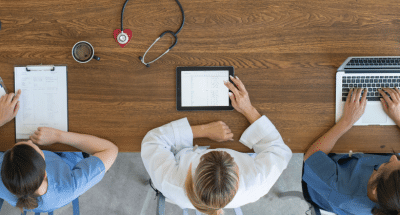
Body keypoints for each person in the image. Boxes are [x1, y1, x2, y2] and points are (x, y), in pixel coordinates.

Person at [141, 76, 292, 215]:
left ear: (192, 172)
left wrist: (204, 130)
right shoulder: (257, 183)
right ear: (238, 178)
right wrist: (248, 109)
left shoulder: (169, 182)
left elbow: (153, 141)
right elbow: (279, 150)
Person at [303, 87, 400, 215]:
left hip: (322, 180)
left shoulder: (343, 191)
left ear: (375, 189)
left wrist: (347, 121)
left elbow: (311, 157)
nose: (394, 157)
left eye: (386, 164)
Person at [0, 126, 118, 213]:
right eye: (36, 148)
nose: (29, 141)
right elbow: (110, 150)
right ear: (45, 174)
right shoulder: (67, 187)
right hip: (67, 159)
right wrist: (58, 135)